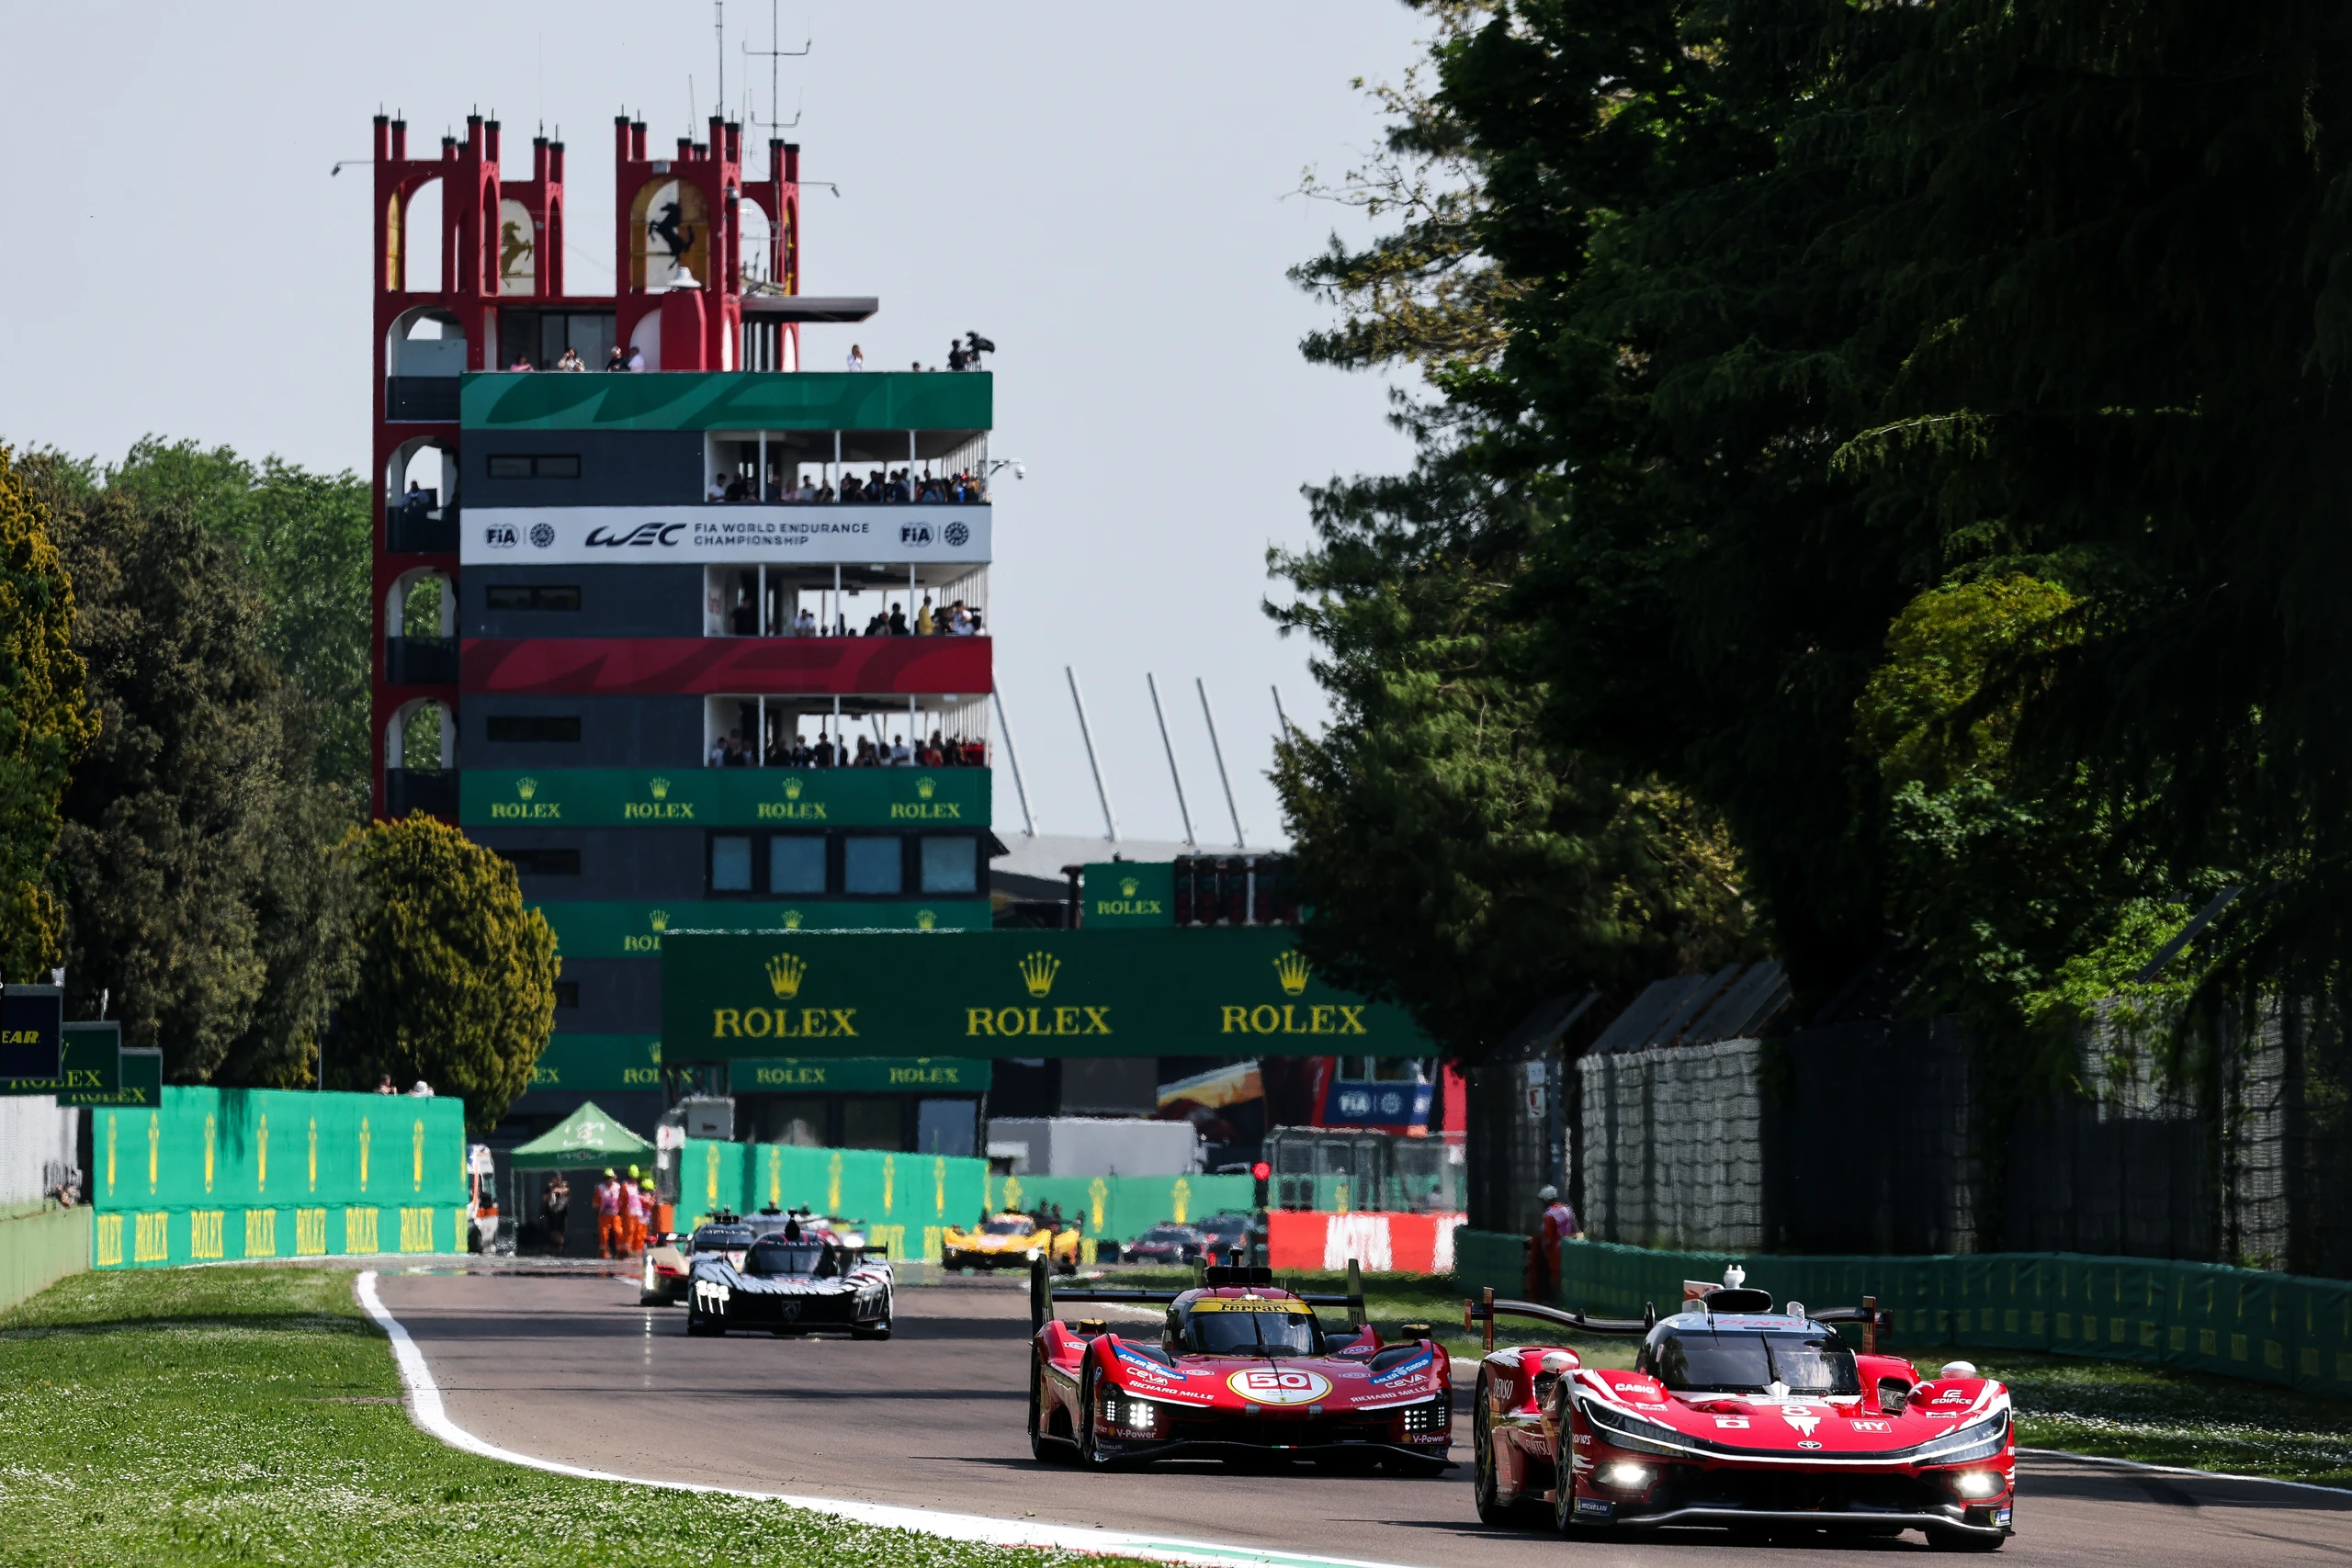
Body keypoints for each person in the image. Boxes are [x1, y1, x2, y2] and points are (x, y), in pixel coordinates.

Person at [1530, 1183, 1579, 1301]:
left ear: (1547, 1200)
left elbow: (1547, 1238)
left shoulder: (1549, 1215)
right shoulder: (1566, 1209)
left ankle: (1554, 1300)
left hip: (1554, 1250)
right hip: (1567, 1246)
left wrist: (1544, 1250)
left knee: (1554, 1276)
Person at [594, 1169, 624, 1258]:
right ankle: (604, 1253)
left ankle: (620, 1252)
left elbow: (622, 1200)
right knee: (603, 1234)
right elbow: (595, 1203)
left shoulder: (618, 1187)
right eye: (607, 1178)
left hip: (616, 1215)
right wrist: (599, 1210)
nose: (609, 1180)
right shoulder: (600, 1188)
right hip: (604, 1215)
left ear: (614, 1178)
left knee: (618, 1231)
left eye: (610, 1178)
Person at [540, 1172, 570, 1253]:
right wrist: (551, 1192)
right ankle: (552, 1248)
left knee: (560, 1232)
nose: (557, 1179)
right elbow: (544, 1198)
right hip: (550, 1214)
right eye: (556, 1178)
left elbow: (566, 1191)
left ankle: (560, 1249)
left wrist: (558, 1191)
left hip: (561, 1214)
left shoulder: (564, 1185)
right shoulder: (549, 1187)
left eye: (558, 1177)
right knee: (551, 1231)